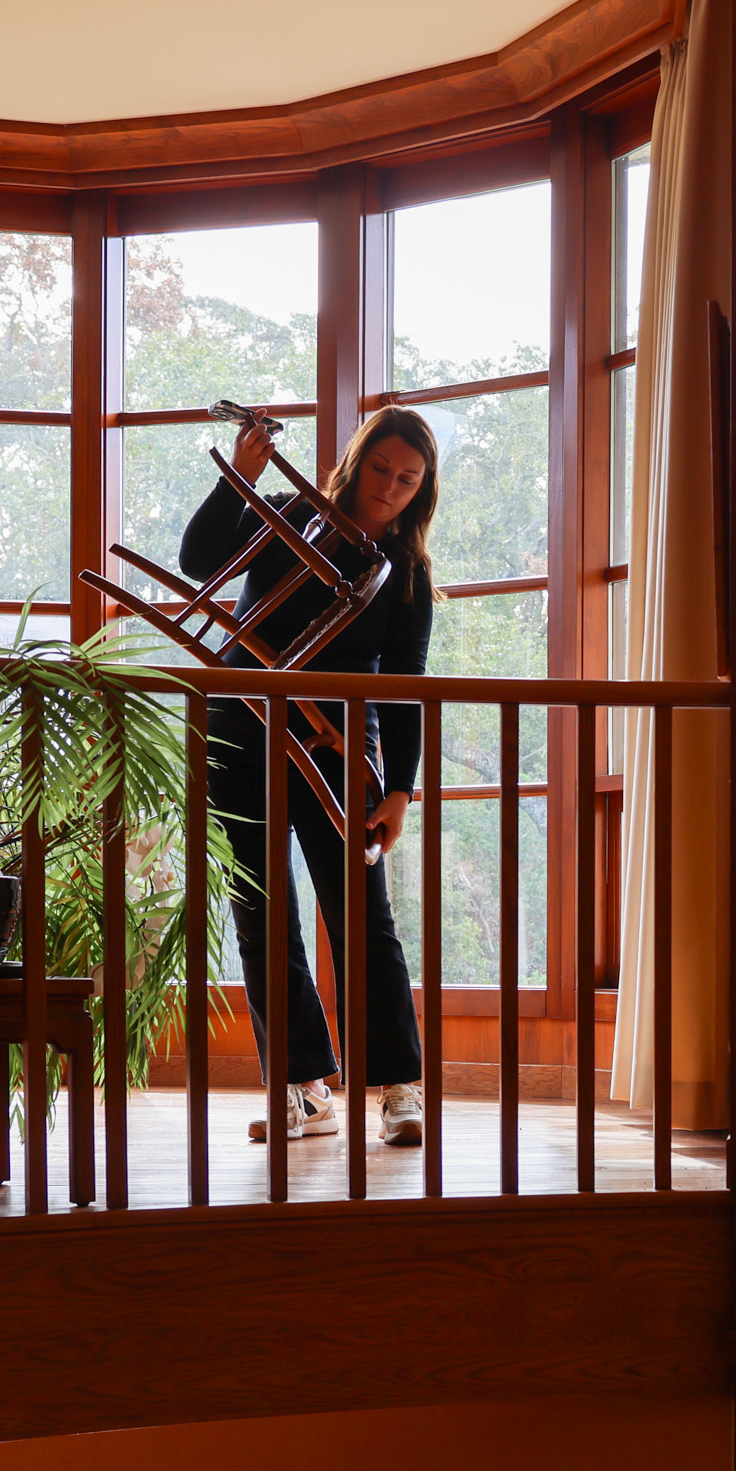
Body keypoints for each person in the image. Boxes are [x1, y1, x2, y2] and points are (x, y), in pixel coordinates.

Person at [182, 405, 439, 1146]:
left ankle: (399, 1087)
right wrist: (242, 478)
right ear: (360, 462)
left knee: (362, 917)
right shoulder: (295, 512)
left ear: (422, 489)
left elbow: (407, 684)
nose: (390, 485)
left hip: (335, 748)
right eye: (382, 468)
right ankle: (302, 1088)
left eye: (408, 478)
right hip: (238, 732)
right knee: (262, 920)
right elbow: (199, 561)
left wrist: (400, 791)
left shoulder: (406, 572)